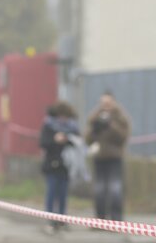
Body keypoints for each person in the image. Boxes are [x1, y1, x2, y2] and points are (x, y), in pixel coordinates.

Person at [85, 90, 130, 220]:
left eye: (108, 103)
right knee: (99, 190)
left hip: (115, 158)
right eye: (103, 103)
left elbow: (123, 137)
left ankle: (116, 219)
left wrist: (111, 125)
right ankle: (100, 218)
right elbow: (87, 140)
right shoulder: (95, 117)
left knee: (115, 189)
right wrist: (95, 128)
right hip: (99, 158)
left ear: (113, 103)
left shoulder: (121, 117)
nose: (106, 106)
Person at [39, 101, 79, 231]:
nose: (63, 119)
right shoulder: (48, 126)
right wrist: (55, 139)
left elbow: (78, 143)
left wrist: (67, 140)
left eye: (66, 117)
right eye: (61, 116)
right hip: (52, 165)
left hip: (66, 166)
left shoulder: (73, 128)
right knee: (51, 193)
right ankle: (50, 219)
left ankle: (62, 219)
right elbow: (43, 143)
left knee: (63, 195)